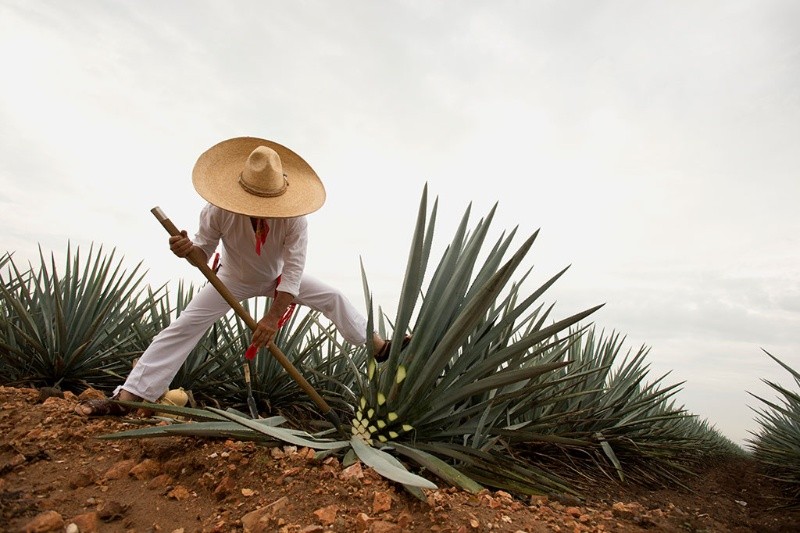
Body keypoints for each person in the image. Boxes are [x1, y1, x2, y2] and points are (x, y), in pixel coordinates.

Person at [75, 137, 400, 417]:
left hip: (277, 280)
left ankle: (378, 347)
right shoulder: (217, 210)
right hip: (231, 279)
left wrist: (272, 318)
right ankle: (129, 397)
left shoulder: (294, 219)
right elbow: (202, 255)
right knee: (185, 326)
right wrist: (186, 249)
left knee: (333, 297)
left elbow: (294, 270)